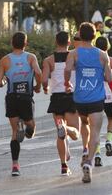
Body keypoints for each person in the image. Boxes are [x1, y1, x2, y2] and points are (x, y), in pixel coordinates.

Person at [64, 22, 112, 183]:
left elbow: (67, 69)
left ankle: (85, 148)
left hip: (79, 99)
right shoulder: (102, 55)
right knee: (96, 131)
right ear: (94, 36)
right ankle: (89, 162)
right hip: (96, 99)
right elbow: (109, 78)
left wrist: (67, 83)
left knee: (84, 122)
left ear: (79, 35)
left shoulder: (74, 53)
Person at [0, 32, 42, 176]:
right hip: (26, 97)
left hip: (12, 98)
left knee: (14, 133)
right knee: (32, 127)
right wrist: (38, 86)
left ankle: (15, 166)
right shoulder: (30, 57)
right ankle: (27, 130)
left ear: (11, 43)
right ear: (25, 44)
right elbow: (39, 73)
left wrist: (4, 81)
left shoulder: (5, 60)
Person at [42, 31, 80, 176]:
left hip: (56, 98)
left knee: (60, 136)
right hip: (71, 96)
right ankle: (65, 127)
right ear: (69, 43)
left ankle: (64, 166)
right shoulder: (74, 57)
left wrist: (45, 87)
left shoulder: (48, 60)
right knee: (75, 133)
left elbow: (44, 79)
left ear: (56, 42)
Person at [94, 36, 112, 166]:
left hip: (96, 96)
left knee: (94, 127)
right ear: (108, 46)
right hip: (110, 97)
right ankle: (109, 140)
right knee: (111, 119)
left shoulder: (93, 60)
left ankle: (98, 152)